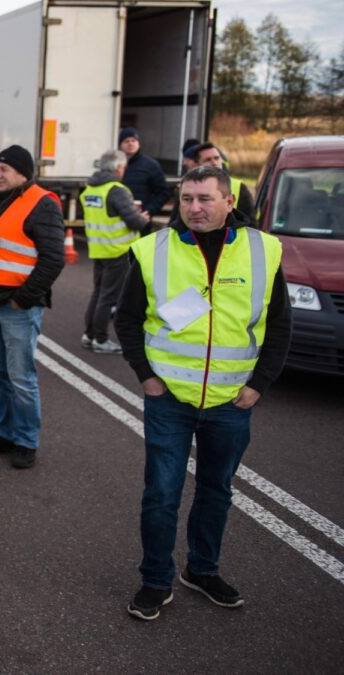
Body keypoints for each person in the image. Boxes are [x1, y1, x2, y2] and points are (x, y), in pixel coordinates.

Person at [115, 165, 291, 621]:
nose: (194, 207)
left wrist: (259, 385)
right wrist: (146, 378)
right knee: (162, 494)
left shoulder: (263, 250)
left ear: (228, 201)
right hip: (169, 398)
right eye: (187, 198)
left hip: (232, 401)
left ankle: (202, 569)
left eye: (205, 199)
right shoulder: (152, 248)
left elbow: (280, 326)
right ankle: (156, 579)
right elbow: (127, 318)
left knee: (216, 490)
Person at [0, 145, 65, 470]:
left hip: (17, 307)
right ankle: (3, 433)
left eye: (4, 169)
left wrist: (21, 298)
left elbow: (53, 259)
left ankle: (26, 440)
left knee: (21, 377)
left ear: (23, 172)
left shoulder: (42, 204)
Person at [80, 149, 151, 354]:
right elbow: (133, 221)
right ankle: (101, 340)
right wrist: (143, 219)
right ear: (118, 167)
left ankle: (90, 334)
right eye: (123, 167)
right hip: (117, 250)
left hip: (98, 248)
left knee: (98, 293)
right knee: (108, 297)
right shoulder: (117, 190)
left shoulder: (91, 188)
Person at [191, 142, 255, 224]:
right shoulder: (188, 188)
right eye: (208, 160)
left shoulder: (239, 187)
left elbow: (251, 224)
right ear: (197, 165)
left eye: (217, 158)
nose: (214, 163)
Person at [119, 128, 169, 219]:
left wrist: (149, 211)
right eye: (126, 141)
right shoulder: (116, 165)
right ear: (120, 145)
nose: (130, 144)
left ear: (138, 144)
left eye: (133, 141)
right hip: (119, 217)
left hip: (141, 219)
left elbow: (163, 192)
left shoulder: (150, 165)